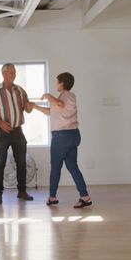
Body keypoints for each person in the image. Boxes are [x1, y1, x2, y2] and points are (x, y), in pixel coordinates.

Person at [32, 72, 93, 208]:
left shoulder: (67, 96)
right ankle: (85, 196)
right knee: (72, 167)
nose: (56, 84)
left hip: (62, 137)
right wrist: (35, 107)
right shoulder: (64, 97)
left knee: (55, 168)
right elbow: (52, 111)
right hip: (72, 135)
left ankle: (52, 197)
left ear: (62, 83)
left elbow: (58, 104)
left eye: (57, 82)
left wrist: (48, 96)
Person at [0, 63, 35, 205]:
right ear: (4, 74)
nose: (14, 75)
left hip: (18, 131)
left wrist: (30, 107)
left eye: (15, 72)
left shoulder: (20, 90)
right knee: (0, 162)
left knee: (22, 162)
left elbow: (27, 109)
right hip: (2, 131)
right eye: (11, 72)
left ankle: (22, 191)